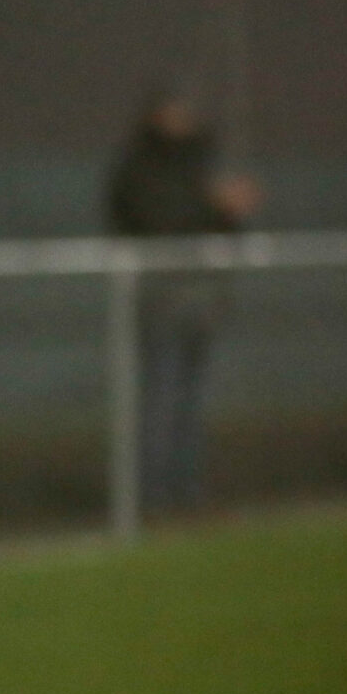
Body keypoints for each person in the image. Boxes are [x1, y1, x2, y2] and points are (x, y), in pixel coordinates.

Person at [108, 89, 257, 514]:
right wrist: (211, 206)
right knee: (159, 399)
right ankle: (148, 498)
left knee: (193, 402)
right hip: (160, 299)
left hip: (201, 298)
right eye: (173, 112)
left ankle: (186, 493)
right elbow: (157, 223)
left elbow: (217, 231)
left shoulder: (199, 166)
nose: (183, 119)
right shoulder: (137, 168)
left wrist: (230, 211)